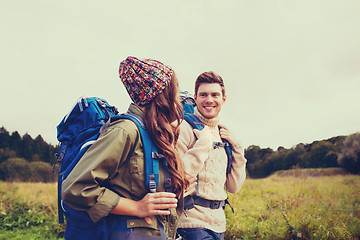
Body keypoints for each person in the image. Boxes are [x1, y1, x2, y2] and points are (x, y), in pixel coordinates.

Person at [62, 56, 190, 240]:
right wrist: (137, 207)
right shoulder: (125, 130)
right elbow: (75, 188)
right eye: (174, 90)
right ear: (161, 93)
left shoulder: (155, 133)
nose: (178, 97)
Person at [176, 71, 247, 240]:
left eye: (215, 94)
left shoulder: (223, 133)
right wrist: (203, 145)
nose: (209, 100)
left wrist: (238, 148)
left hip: (219, 223)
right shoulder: (184, 129)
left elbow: (233, 187)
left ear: (223, 98)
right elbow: (177, 177)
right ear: (195, 97)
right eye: (203, 95)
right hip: (190, 223)